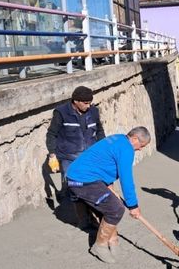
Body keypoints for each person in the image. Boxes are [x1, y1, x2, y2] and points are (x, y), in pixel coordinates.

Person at [66, 127, 150, 264]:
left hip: (86, 176)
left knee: (111, 203)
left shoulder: (118, 139)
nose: (140, 149)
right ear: (135, 139)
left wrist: (109, 185)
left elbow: (104, 161)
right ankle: (100, 245)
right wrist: (133, 205)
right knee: (115, 209)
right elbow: (126, 178)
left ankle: (113, 240)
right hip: (82, 180)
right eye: (141, 145)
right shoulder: (127, 149)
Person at [46, 86, 105, 226]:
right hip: (69, 157)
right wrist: (52, 154)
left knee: (92, 186)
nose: (89, 105)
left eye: (90, 102)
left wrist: (103, 149)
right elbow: (51, 134)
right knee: (75, 187)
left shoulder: (94, 112)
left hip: (90, 156)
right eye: (85, 103)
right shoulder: (61, 113)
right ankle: (82, 219)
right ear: (76, 101)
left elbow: (100, 131)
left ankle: (93, 215)